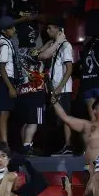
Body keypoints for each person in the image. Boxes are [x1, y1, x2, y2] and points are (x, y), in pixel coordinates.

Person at [36, 20, 75, 155]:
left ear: (59, 29)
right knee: (57, 119)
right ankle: (61, 145)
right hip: (54, 87)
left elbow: (69, 69)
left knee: (65, 117)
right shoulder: (54, 45)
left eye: (50, 28)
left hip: (63, 89)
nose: (48, 31)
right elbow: (40, 54)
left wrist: (59, 88)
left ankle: (69, 145)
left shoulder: (66, 46)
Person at [0, 16, 21, 144]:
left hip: (4, 80)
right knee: (4, 113)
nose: (14, 29)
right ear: (4, 31)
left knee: (1, 113)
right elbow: (2, 68)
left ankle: (0, 142)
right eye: (10, 28)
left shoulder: (5, 41)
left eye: (13, 27)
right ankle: (4, 144)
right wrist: (10, 87)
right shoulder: (4, 44)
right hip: (5, 80)